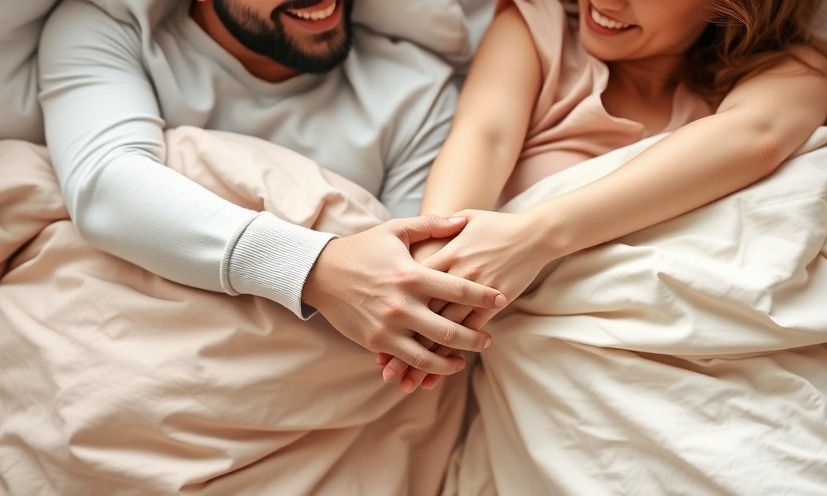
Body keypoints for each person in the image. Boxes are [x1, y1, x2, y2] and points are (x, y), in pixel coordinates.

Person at [378, 0, 827, 392]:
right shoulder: (539, 29)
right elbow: (485, 137)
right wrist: (430, 283)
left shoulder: (795, 68)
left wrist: (534, 238)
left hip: (739, 363)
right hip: (567, 369)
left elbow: (758, 138)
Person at [37, 0, 505, 378]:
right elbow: (104, 187)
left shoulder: (418, 91)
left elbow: (410, 299)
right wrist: (313, 270)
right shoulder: (114, 28)